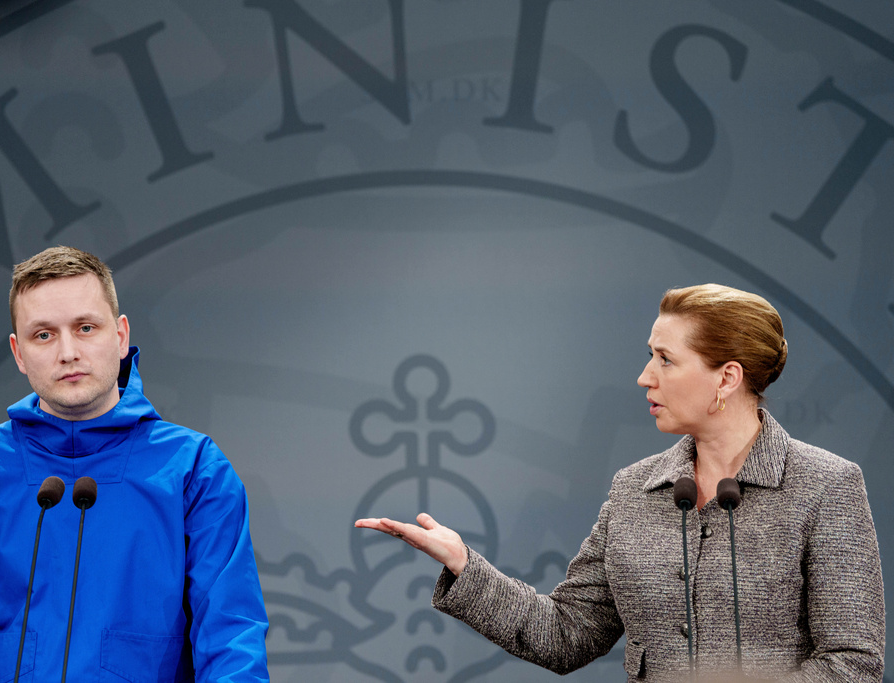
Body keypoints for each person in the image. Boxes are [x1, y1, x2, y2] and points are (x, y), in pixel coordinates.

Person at [356, 284, 885, 681]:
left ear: (726, 377)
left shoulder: (825, 486)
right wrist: (465, 566)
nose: (644, 376)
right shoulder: (635, 489)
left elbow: (853, 661)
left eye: (665, 359)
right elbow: (566, 635)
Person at [0, 246, 269, 682]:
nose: (67, 352)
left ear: (119, 336)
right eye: (43, 335)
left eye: (85, 327)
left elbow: (231, 645)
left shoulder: (194, 472)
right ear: (18, 352)